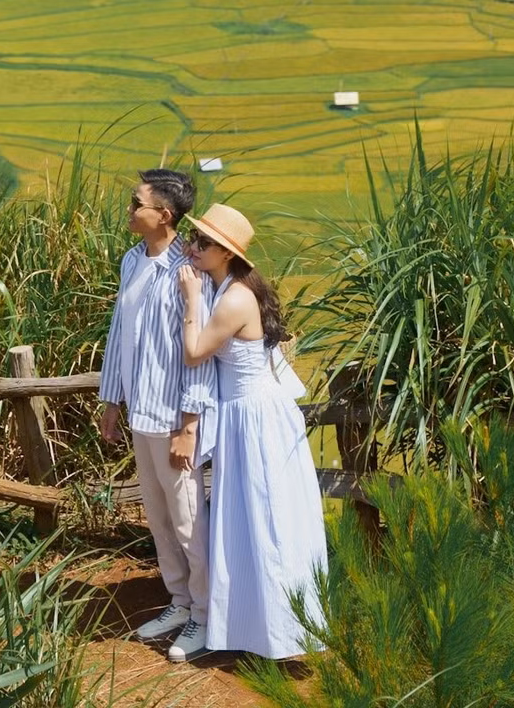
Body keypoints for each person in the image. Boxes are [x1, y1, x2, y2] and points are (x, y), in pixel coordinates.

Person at [178, 201, 326, 662]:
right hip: (250, 415)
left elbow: (195, 353)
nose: (193, 248)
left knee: (266, 517)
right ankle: (256, 626)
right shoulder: (234, 285)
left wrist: (190, 302)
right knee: (251, 517)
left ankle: (283, 632)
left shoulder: (234, 298)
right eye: (194, 238)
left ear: (225, 253)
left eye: (203, 243)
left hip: (255, 417)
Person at [98, 169, 217, 664]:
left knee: (189, 520)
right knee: (159, 516)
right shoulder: (131, 260)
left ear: (163, 215)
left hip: (173, 417)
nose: (128, 211)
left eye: (135, 203)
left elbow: (200, 355)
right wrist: (110, 399)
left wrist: (188, 426)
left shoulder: (188, 272)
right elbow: (119, 333)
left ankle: (207, 616)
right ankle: (179, 601)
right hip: (140, 414)